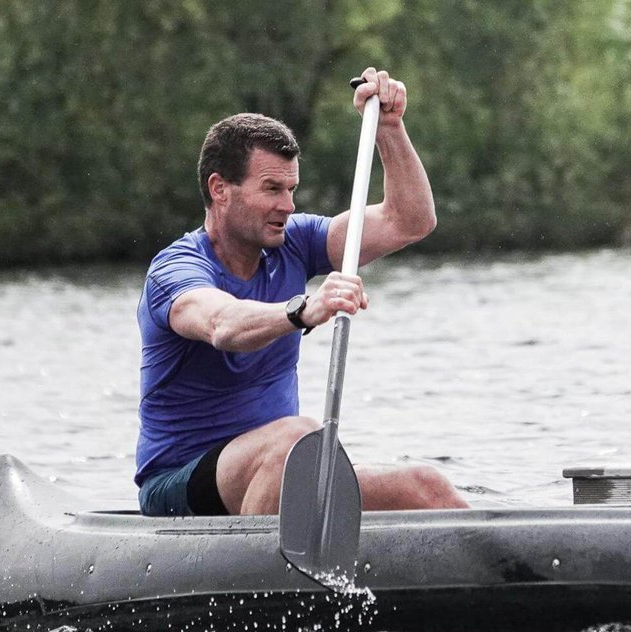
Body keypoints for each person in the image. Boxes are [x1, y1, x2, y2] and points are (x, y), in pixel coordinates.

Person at [136, 67, 469, 516]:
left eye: (291, 189)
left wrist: (389, 129)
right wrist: (302, 310)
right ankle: (257, 559)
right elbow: (222, 325)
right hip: (180, 484)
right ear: (220, 189)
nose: (288, 206)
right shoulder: (176, 270)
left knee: (426, 487)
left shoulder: (295, 241)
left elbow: (408, 221)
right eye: (272, 189)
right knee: (297, 439)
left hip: (282, 468)